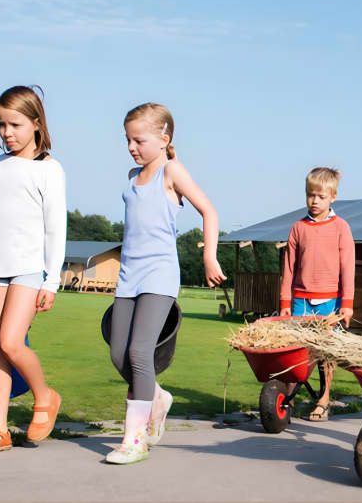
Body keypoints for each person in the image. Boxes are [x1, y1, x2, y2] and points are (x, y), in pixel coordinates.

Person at [106, 103, 226, 464]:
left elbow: (210, 211)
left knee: (140, 352)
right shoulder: (132, 176)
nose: (131, 147)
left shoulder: (172, 171)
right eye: (128, 140)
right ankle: (157, 396)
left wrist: (208, 256)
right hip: (128, 276)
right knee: (117, 353)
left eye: (138, 140)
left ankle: (135, 439)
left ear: (164, 138)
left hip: (159, 275)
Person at [0, 86, 66, 454]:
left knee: (11, 342)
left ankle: (45, 397)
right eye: (0, 125)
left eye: (15, 124)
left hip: (29, 269)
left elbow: (56, 228)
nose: (7, 133)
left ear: (36, 124)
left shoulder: (50, 170)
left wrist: (52, 280)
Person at [279, 167, 355, 422]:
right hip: (300, 299)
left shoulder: (341, 227)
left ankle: (323, 399)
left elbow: (348, 267)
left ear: (332, 197)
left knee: (324, 353)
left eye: (321, 196)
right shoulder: (298, 228)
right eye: (311, 195)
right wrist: (285, 302)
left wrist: (347, 304)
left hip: (329, 300)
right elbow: (289, 267)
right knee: (296, 351)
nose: (315, 201)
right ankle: (286, 400)